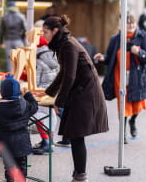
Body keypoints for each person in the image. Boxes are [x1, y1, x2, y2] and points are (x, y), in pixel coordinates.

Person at [41, 15, 108, 182]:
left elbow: (69, 76)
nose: (43, 35)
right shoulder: (64, 43)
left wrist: (59, 101)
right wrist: (48, 92)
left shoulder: (68, 45)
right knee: (75, 134)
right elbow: (64, 72)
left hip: (86, 93)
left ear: (55, 31)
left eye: (45, 32)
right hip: (80, 91)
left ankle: (80, 176)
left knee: (76, 134)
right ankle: (79, 175)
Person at [94, 14, 146, 144]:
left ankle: (133, 121)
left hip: (137, 77)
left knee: (137, 104)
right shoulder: (115, 39)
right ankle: (123, 132)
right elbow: (110, 57)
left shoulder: (143, 37)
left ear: (136, 24)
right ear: (122, 25)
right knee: (123, 104)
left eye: (132, 23)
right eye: (127, 23)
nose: (130, 25)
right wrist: (102, 58)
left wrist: (138, 52)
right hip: (119, 77)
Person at [0, 74, 38, 182]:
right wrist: (27, 94)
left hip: (7, 145)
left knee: (10, 168)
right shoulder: (25, 105)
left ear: (3, 92)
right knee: (22, 166)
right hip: (22, 144)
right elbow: (35, 106)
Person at [32, 36, 60, 154]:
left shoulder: (38, 58)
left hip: (42, 90)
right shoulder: (53, 53)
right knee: (50, 113)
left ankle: (46, 141)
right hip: (53, 90)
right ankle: (49, 141)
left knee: (36, 113)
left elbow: (36, 79)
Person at [0, 1, 27, 72]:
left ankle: (11, 76)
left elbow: (1, 31)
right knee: (19, 58)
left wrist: (1, 42)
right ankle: (19, 75)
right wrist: (23, 38)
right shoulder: (21, 16)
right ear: (15, 7)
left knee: (9, 59)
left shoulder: (4, 17)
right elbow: (25, 29)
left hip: (8, 40)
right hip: (18, 39)